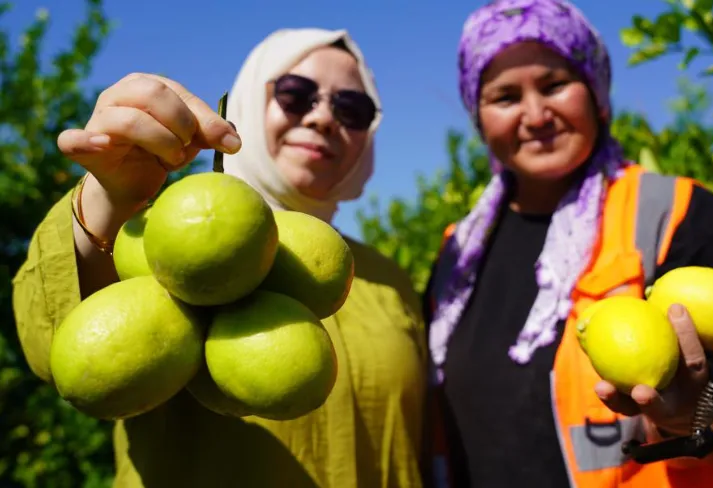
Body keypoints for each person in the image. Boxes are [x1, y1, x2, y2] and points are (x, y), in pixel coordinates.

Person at [13, 28, 427, 488]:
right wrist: (106, 206)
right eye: (296, 95)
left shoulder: (390, 278)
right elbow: (53, 345)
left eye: (352, 108)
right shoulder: (151, 237)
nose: (325, 118)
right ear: (250, 102)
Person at [422, 1, 713, 487]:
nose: (535, 114)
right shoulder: (456, 257)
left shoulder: (675, 212)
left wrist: (697, 415)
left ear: (596, 93)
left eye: (554, 85)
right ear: (479, 118)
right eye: (505, 97)